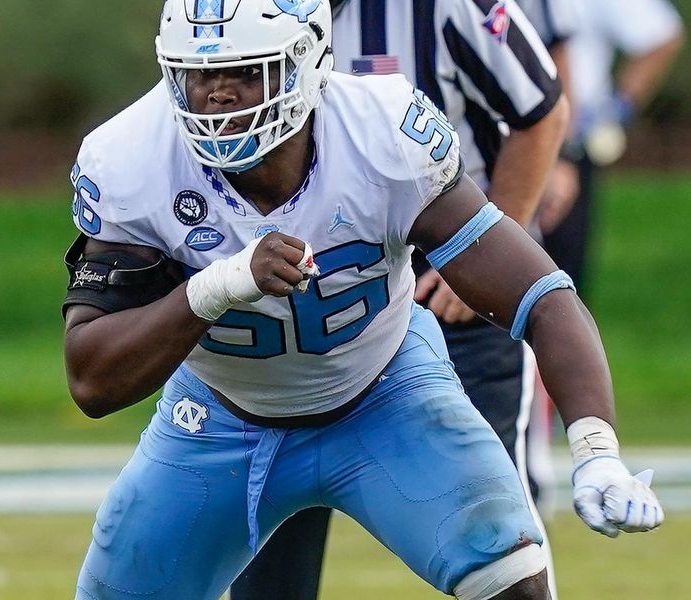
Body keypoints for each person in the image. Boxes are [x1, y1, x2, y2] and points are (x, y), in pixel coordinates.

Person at [64, 2, 663, 599]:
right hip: (223, 417)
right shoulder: (131, 158)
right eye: (199, 76)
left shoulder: (381, 130)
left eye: (248, 73)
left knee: (513, 583)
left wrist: (596, 450)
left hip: (385, 394)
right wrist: (216, 287)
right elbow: (92, 379)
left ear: (306, 62)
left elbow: (541, 294)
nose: (218, 95)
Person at [232, 1, 576, 598]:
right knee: (268, 534)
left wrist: (493, 243)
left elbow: (541, 111)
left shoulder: (445, 6)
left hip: (447, 289)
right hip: (311, 303)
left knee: (496, 526)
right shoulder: (247, 12)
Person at [542, 0, 684, 293]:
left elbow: (661, 34)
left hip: (566, 144)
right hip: (488, 137)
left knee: (556, 283)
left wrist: (619, 107)